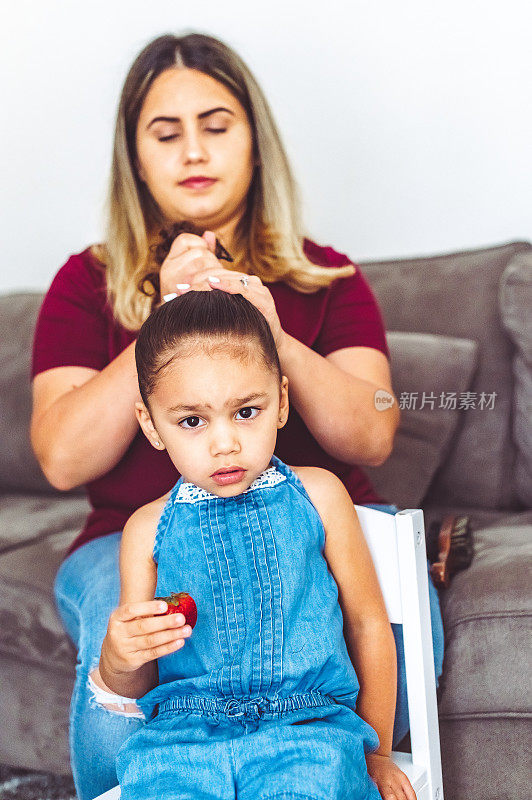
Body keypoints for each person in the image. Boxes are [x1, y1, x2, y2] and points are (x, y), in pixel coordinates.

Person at [29, 32, 443, 800]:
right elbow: (62, 458)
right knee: (121, 701)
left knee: (391, 656)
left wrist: (267, 330)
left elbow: (374, 432)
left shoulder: (328, 279)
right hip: (129, 538)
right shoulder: (87, 284)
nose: (194, 150)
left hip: (313, 525)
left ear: (255, 141)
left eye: (216, 125)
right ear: (136, 155)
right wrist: (166, 316)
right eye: (166, 132)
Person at [99, 288, 416, 800]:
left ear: (281, 402)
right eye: (192, 421)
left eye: (245, 412)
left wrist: (375, 752)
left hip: (309, 728)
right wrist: (117, 660)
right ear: (151, 426)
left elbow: (367, 622)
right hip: (182, 737)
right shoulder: (145, 530)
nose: (225, 442)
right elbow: (141, 678)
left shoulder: (319, 495)